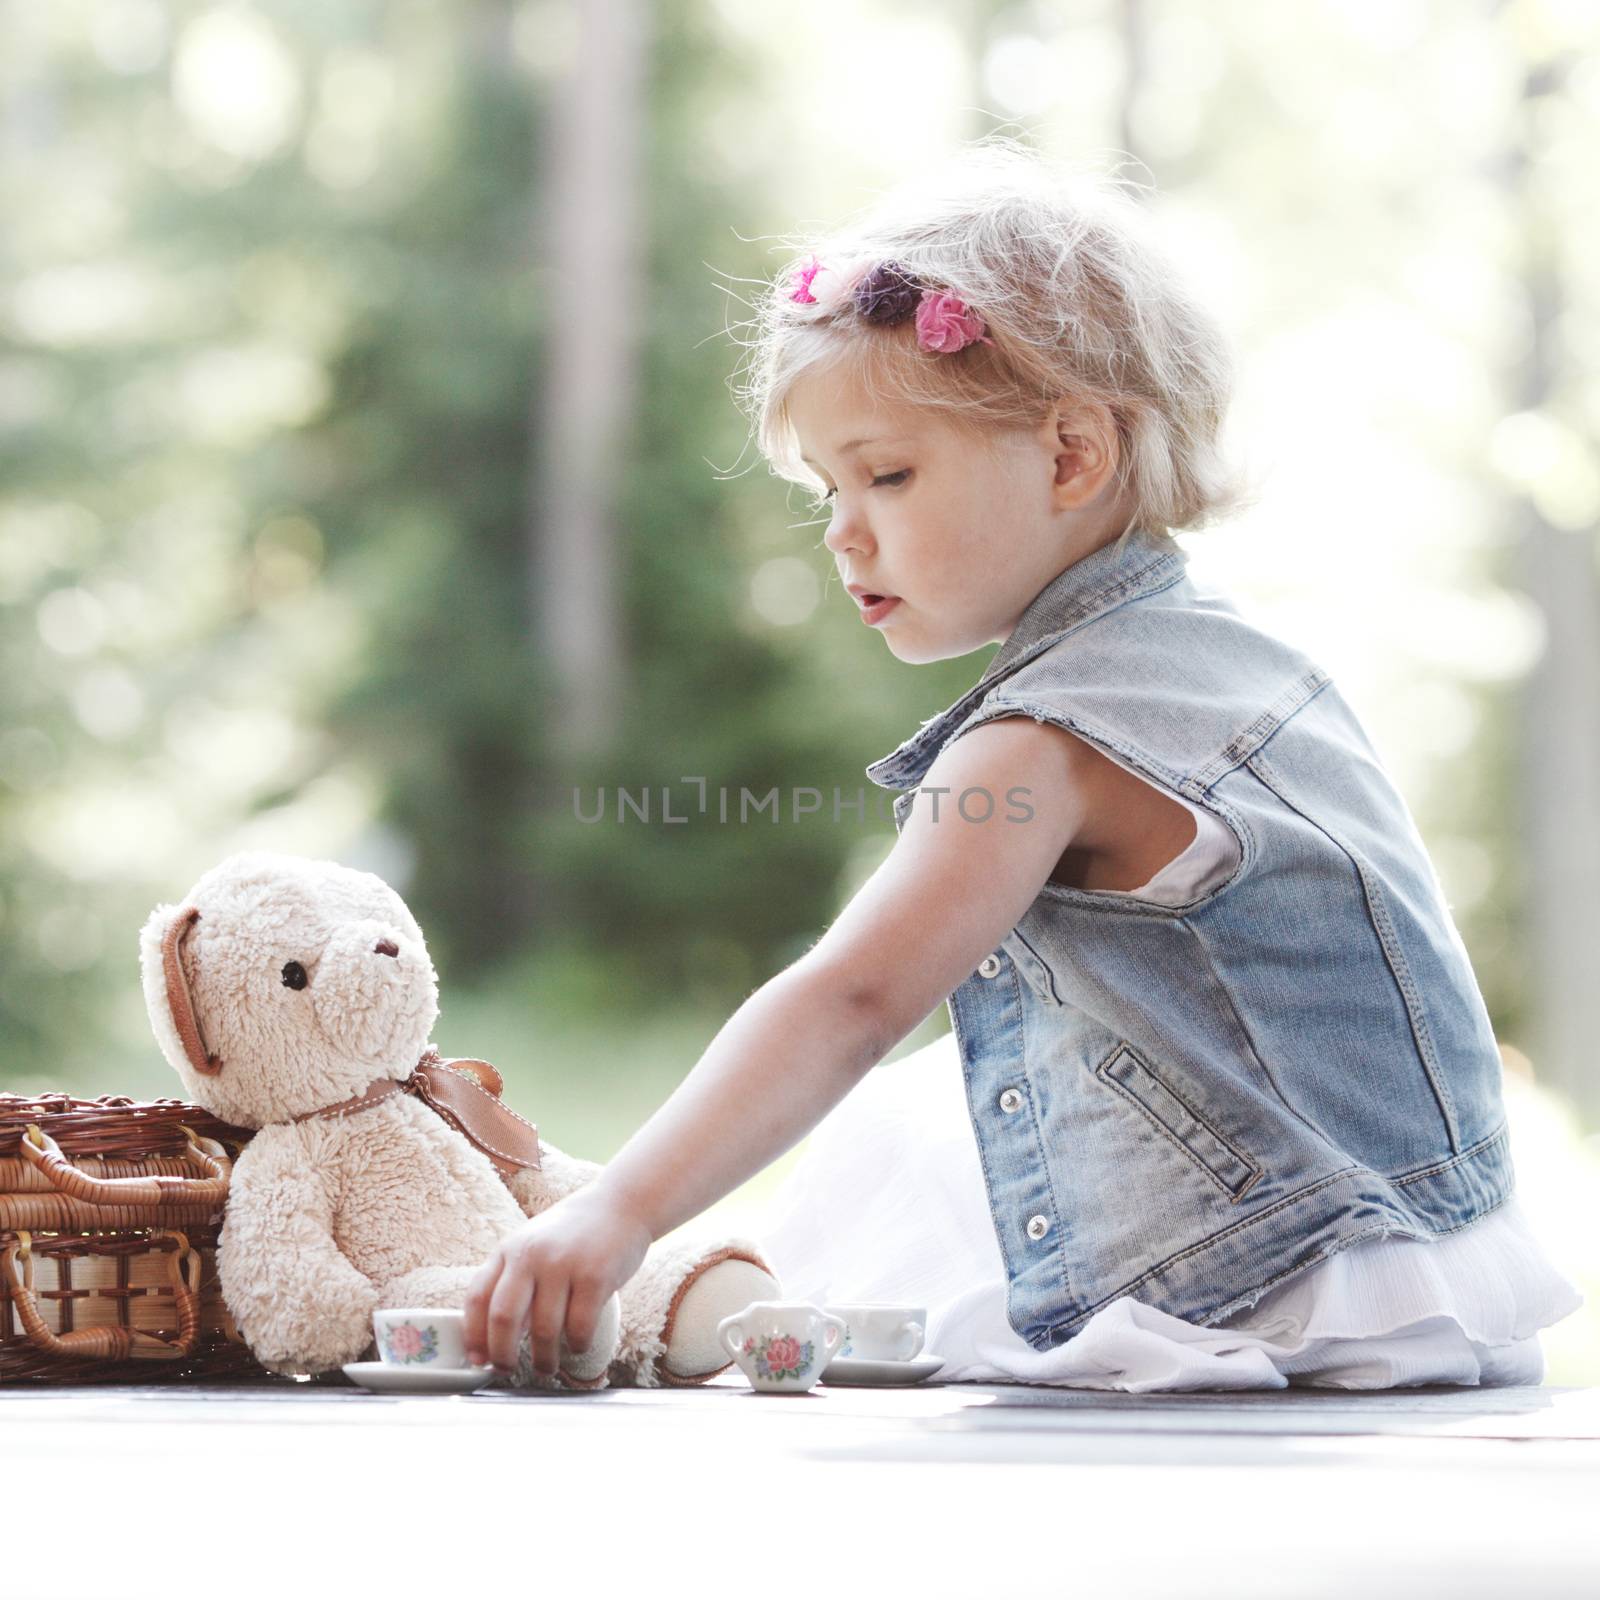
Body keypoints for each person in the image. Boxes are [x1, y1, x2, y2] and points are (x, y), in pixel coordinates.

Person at [463, 139, 1582, 1388]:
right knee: (925, 1123)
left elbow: (851, 1000)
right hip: (1431, 1261)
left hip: (1260, 1286)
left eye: (887, 473)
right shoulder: (1247, 665)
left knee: (887, 1155)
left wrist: (623, 1205)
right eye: (827, 489)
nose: (843, 533)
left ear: (1069, 455)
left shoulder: (1041, 738)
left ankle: (653, 1286)